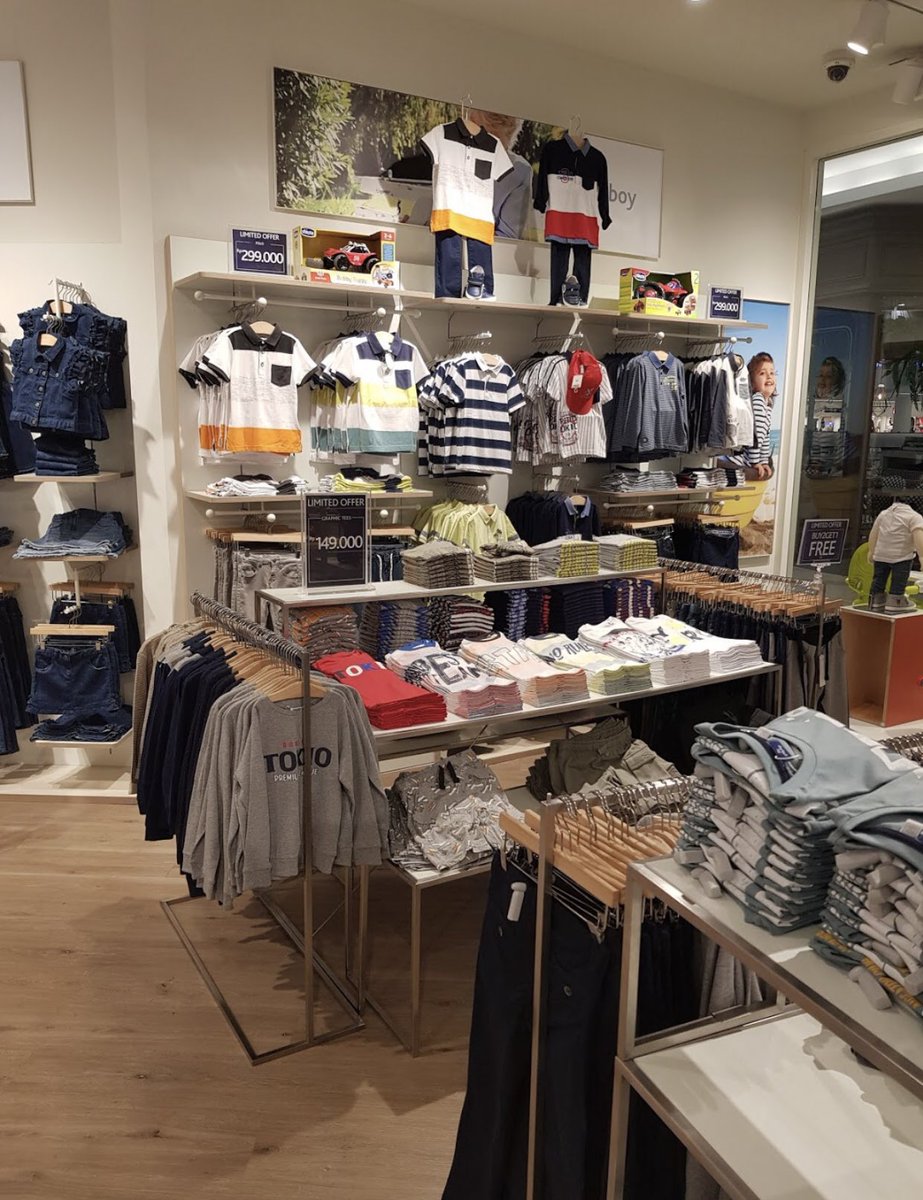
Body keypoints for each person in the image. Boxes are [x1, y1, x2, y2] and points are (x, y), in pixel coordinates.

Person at [719, 351, 776, 481]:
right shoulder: (758, 400)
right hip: (734, 459)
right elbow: (754, 436)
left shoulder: (767, 404)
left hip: (743, 457)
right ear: (752, 383)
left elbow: (764, 438)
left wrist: (764, 461)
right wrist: (755, 462)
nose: (769, 376)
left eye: (772, 373)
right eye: (762, 373)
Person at [867, 501, 923, 613]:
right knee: (898, 580)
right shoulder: (914, 517)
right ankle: (896, 600)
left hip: (881, 555)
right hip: (901, 557)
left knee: (879, 579)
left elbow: (874, 533)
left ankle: (875, 599)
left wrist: (871, 551)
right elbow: (919, 538)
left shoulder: (883, 514)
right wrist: (922, 557)